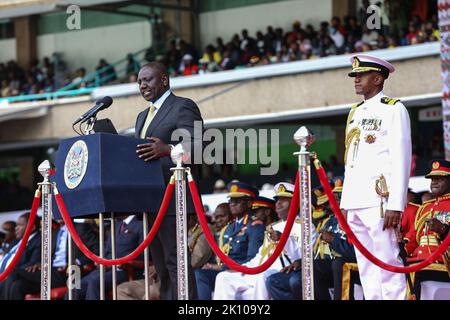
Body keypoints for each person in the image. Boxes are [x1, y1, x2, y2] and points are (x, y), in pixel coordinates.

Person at [341, 54, 412, 300]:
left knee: (387, 259)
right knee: (366, 264)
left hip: (379, 198)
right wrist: (345, 203)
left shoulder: (393, 109)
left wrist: (395, 203)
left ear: (378, 78)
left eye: (361, 75)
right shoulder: (354, 112)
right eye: (355, 76)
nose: (356, 80)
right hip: (355, 199)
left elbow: (401, 158)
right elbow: (350, 160)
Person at [135, 61, 203, 300]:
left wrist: (168, 149)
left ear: (164, 80)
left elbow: (196, 146)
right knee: (161, 265)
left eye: (148, 80)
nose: (142, 85)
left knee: (176, 261)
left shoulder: (183, 106)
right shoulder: (142, 117)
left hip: (174, 198)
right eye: (140, 81)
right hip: (150, 200)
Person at [214, 186, 301, 300]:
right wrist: (243, 267)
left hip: (278, 271)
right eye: (277, 200)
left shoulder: (303, 226)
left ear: (295, 203)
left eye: (283, 199)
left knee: (262, 277)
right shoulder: (273, 227)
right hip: (258, 269)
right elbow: (261, 256)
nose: (278, 203)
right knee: (223, 277)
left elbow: (302, 256)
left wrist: (284, 240)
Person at [195, 182, 265, 300]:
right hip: (226, 270)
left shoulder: (254, 226)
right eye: (231, 201)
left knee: (222, 277)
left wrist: (222, 268)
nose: (232, 204)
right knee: (200, 274)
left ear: (248, 203)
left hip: (242, 272)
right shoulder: (229, 228)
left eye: (237, 201)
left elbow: (252, 258)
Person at [3, 220, 99, 300]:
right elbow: (48, 256)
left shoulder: (81, 228)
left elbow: (96, 251)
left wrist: (77, 261)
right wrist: (40, 263)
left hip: (70, 271)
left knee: (13, 273)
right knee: (18, 286)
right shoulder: (54, 232)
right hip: (50, 271)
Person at [402, 159, 450, 299]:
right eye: (432, 179)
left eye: (439, 178)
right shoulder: (426, 208)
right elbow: (412, 238)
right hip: (419, 260)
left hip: (442, 262)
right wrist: (400, 246)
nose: (434, 182)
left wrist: (442, 229)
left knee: (416, 272)